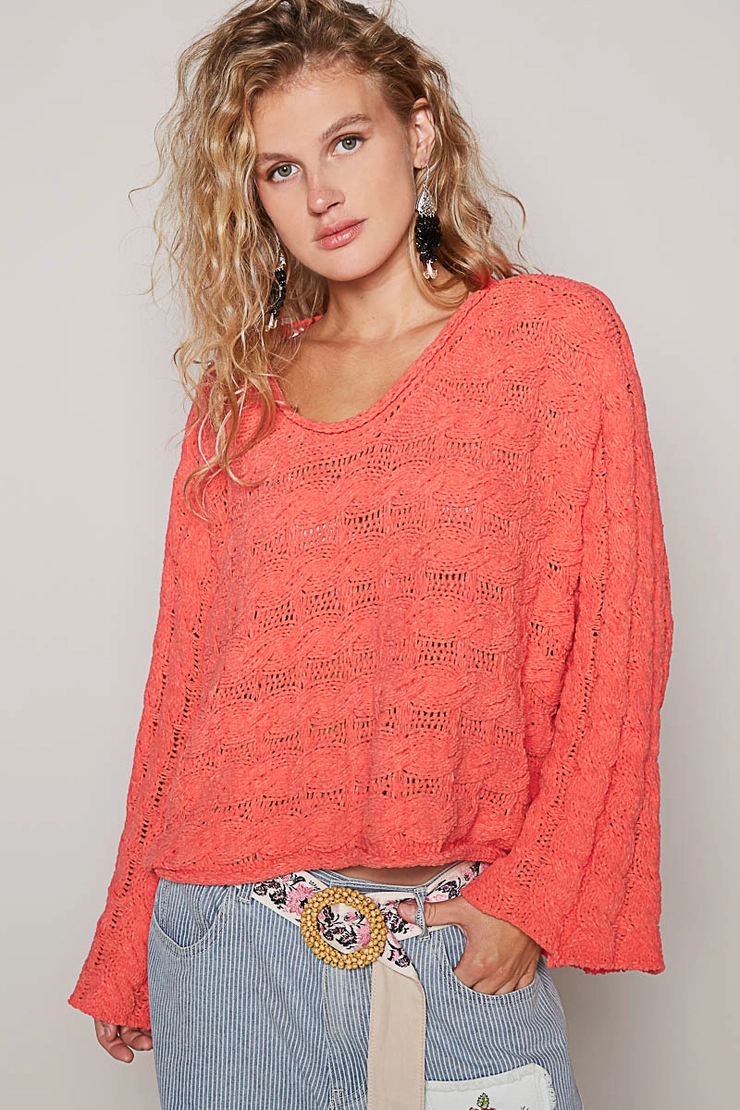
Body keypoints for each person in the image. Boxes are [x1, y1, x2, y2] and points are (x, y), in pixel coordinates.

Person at [68, 2, 674, 1108]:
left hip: (458, 938)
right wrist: (126, 942)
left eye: (346, 141)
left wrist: (533, 894)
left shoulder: (553, 343)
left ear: (420, 131)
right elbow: (185, 686)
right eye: (279, 170)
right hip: (228, 947)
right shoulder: (239, 398)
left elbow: (617, 645)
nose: (321, 194)